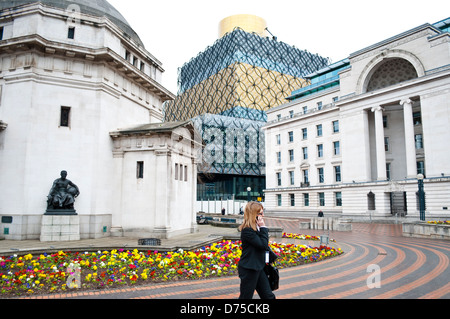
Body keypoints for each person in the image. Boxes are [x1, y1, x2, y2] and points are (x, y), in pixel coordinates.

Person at [237, 201, 275, 299]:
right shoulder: (247, 230)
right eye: (260, 213)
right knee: (246, 297)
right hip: (249, 269)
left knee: (268, 296)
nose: (263, 215)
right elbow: (263, 245)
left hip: (259, 267)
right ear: (254, 214)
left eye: (263, 213)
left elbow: (263, 245)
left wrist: (261, 228)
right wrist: (263, 227)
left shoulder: (256, 228)